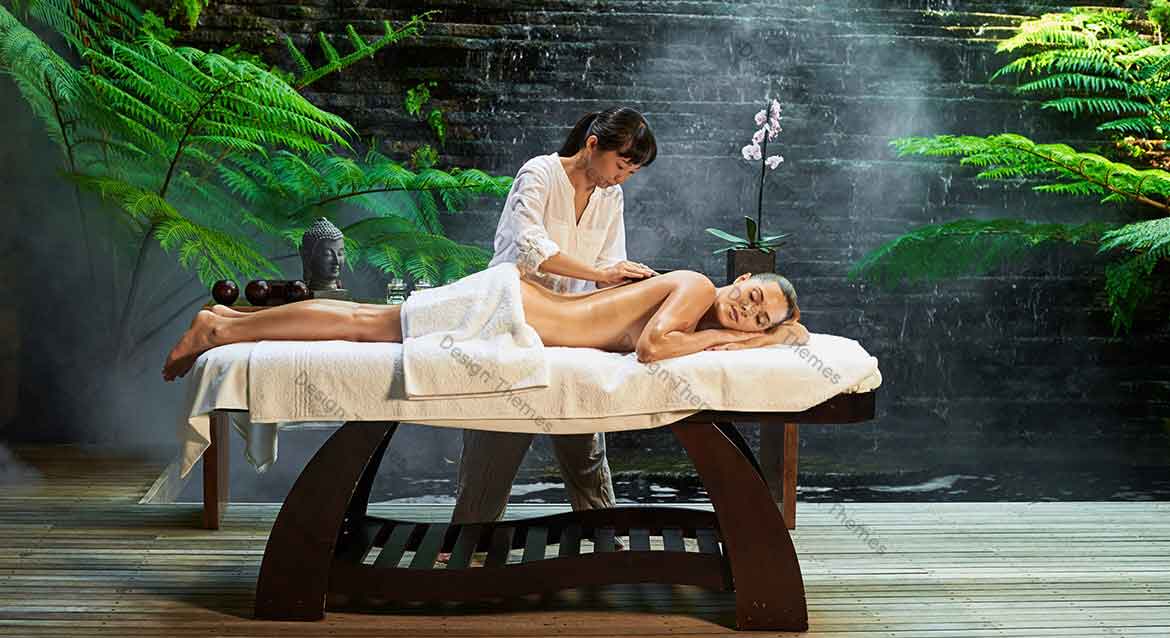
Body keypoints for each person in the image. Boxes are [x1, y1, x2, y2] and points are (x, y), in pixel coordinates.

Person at [449, 107, 656, 543]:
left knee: (583, 432)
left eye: (631, 172)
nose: (621, 178)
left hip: (571, 324)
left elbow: (609, 262)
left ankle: (602, 531)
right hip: (513, 313)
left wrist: (628, 286)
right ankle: (468, 537)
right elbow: (531, 249)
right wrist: (602, 274)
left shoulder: (610, 197)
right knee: (498, 430)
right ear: (593, 144)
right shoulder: (539, 173)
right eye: (620, 165)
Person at [161, 268, 808, 383]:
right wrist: (742, 338)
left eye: (761, 318)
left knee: (367, 319)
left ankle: (229, 318)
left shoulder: (697, 300)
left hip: (515, 309)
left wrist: (763, 335)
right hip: (506, 308)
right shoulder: (698, 288)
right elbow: (654, 348)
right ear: (743, 277)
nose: (748, 313)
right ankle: (220, 332)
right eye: (754, 298)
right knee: (363, 322)